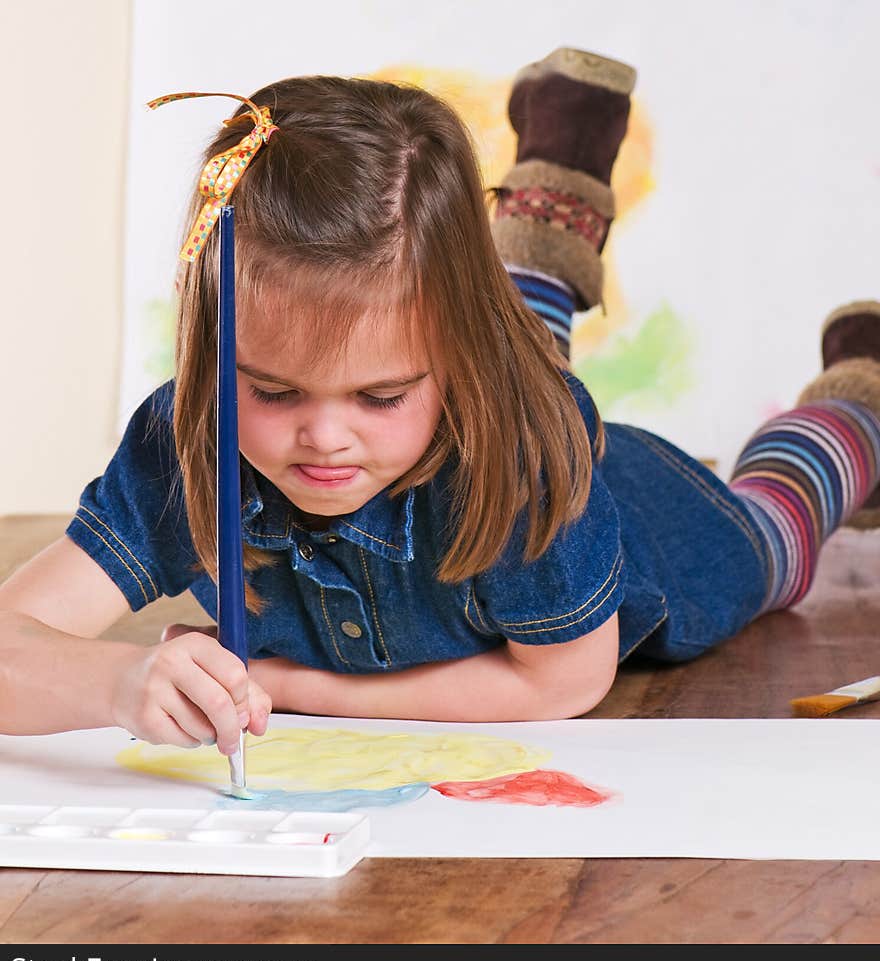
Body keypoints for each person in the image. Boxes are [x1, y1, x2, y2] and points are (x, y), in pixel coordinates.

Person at [1, 50, 879, 756]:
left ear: (441, 368)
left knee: (774, 532)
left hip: (654, 520)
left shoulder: (521, 443)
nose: (325, 436)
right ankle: (550, 205)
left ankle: (860, 395)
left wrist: (293, 688)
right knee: (503, 359)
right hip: (482, 397)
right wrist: (114, 684)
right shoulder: (184, 439)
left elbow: (560, 683)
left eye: (378, 396)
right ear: (210, 350)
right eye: (272, 389)